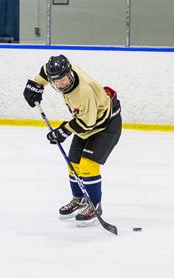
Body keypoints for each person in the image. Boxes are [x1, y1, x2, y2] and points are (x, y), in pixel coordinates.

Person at [23, 55, 122, 226]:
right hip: (87, 121)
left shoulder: (84, 91)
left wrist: (63, 131)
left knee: (88, 165)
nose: (61, 84)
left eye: (63, 79)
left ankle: (94, 205)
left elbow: (87, 123)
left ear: (69, 73)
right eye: (56, 81)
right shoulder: (57, 71)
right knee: (73, 163)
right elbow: (45, 72)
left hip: (105, 125)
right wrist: (36, 85)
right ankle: (79, 199)